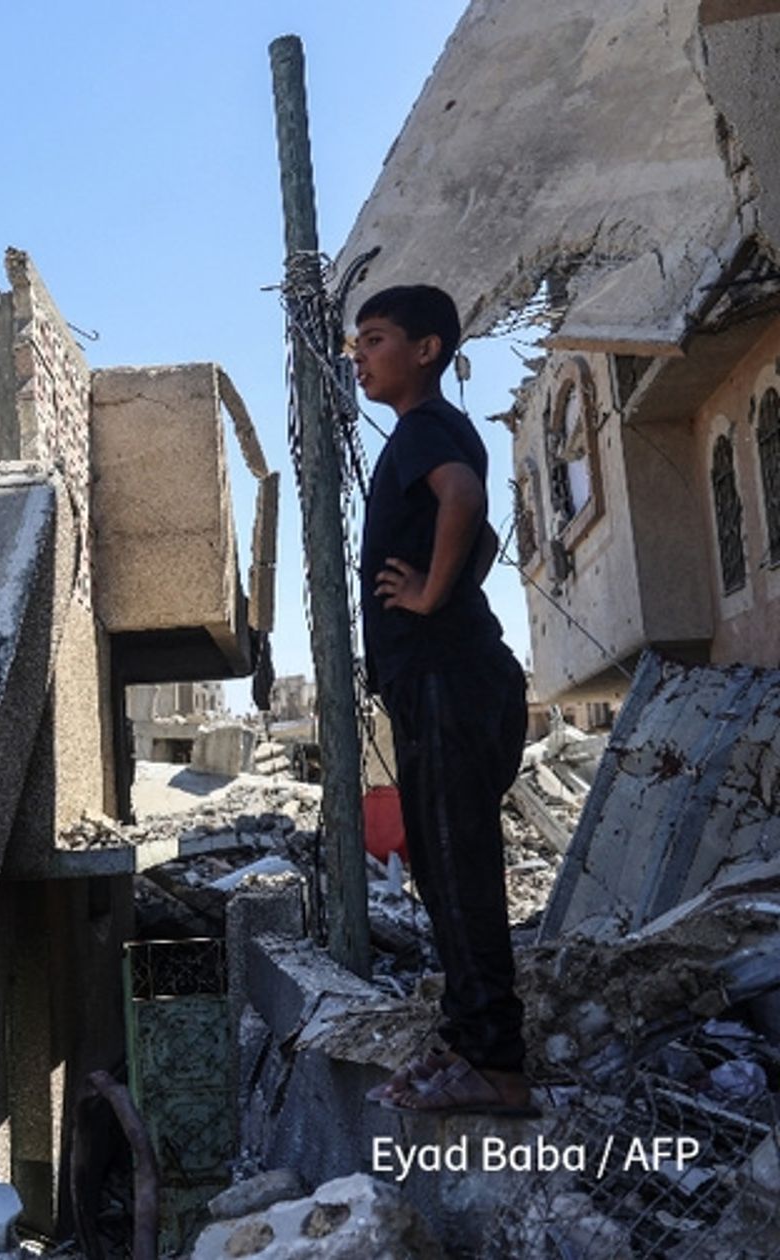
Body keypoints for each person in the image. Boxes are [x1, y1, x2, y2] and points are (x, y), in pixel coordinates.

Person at [351, 284, 535, 1117]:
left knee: (459, 867)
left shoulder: (430, 428)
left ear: (427, 350)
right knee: (440, 862)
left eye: (377, 338)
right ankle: (466, 1042)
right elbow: (479, 535)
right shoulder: (419, 437)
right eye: (358, 341)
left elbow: (467, 502)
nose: (360, 353)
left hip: (448, 680)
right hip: (443, 683)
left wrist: (429, 595)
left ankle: (496, 1064)